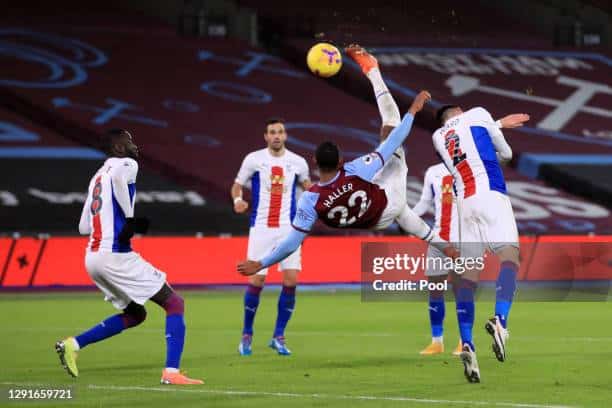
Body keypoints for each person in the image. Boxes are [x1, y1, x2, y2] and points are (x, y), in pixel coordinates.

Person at [237, 89, 445, 278]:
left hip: (368, 222)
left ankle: (441, 244)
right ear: (340, 161)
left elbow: (292, 244)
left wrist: (261, 263)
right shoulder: (354, 170)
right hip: (385, 205)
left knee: (391, 151)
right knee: (391, 137)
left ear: (315, 162)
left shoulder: (310, 199)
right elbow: (394, 141)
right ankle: (373, 73)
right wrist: (413, 110)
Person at [55, 129, 203, 385]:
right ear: (119, 147)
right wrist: (130, 219)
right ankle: (171, 372)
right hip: (114, 255)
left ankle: (73, 344)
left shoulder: (97, 177)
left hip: (93, 257)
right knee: (174, 303)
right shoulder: (127, 164)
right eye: (129, 140)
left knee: (136, 314)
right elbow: (121, 184)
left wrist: (114, 222)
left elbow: (83, 227)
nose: (135, 145)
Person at [432, 105, 529, 383]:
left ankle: (467, 343)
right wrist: (496, 126)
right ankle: (500, 320)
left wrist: (496, 123)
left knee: (468, 276)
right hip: (491, 192)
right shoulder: (478, 113)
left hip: (465, 203)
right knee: (510, 257)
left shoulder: (438, 137)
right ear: (459, 111)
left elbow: (462, 147)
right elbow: (507, 154)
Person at [231, 118, 311, 356]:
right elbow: (237, 185)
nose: (276, 136)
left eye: (280, 132)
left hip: (290, 230)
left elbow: (309, 187)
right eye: (272, 132)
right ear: (266, 137)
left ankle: (278, 336)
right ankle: (247, 334)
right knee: (257, 281)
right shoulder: (254, 159)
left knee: (291, 281)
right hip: (261, 229)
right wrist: (238, 200)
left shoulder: (298, 162)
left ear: (285, 136)